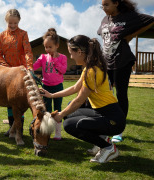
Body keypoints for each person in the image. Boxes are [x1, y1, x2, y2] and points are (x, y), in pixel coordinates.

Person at [40, 35, 126, 163]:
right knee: (69, 115)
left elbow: (79, 100)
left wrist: (61, 114)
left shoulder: (92, 71)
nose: (71, 57)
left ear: (79, 52)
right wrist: (52, 95)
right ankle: (103, 140)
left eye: (71, 53)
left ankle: (108, 148)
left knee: (69, 125)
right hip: (103, 112)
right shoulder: (89, 67)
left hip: (113, 119)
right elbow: (75, 88)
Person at [98, 0, 154, 143]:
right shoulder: (105, 19)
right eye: (102, 5)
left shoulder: (127, 16)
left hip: (122, 61)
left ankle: (119, 130)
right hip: (107, 63)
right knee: (104, 94)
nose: (103, 8)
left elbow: (150, 20)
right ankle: (105, 126)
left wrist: (131, 35)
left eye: (106, 5)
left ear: (116, 3)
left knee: (121, 94)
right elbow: (102, 34)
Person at [0, 9, 33, 136]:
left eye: (15, 23)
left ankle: (19, 129)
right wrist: (5, 67)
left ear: (19, 21)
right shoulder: (1, 35)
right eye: (10, 23)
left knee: (20, 101)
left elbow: (28, 51)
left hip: (21, 72)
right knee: (10, 101)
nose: (12, 26)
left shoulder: (23, 34)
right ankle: (12, 128)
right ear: (6, 21)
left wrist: (29, 67)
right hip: (8, 72)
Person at [33, 28, 67, 140]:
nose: (47, 49)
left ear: (57, 45)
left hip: (58, 87)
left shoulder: (63, 57)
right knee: (46, 111)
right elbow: (33, 67)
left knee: (57, 110)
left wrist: (55, 60)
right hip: (45, 87)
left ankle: (58, 133)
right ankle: (46, 132)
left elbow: (63, 70)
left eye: (50, 47)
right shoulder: (43, 57)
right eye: (45, 47)